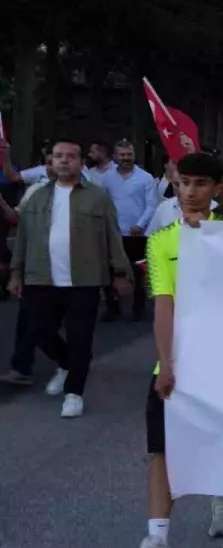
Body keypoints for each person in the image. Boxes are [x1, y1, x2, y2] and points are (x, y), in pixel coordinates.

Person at [131, 152, 223, 548]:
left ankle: (222, 503)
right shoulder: (161, 240)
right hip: (178, 362)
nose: (189, 192)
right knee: (161, 451)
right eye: (182, 183)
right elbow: (164, 305)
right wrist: (166, 363)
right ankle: (157, 540)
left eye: (199, 184)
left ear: (216, 189)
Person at [8, 139, 132, 417]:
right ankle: (66, 363)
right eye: (58, 156)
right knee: (38, 331)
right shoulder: (36, 196)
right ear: (50, 161)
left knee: (80, 338)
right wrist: (16, 273)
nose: (64, 160)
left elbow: (112, 237)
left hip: (84, 280)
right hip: (41, 278)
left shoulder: (98, 197)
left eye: (71, 156)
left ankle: (74, 393)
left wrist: (120, 273)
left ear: (81, 162)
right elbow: (23, 238)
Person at [103, 140, 159, 322]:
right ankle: (112, 308)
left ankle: (138, 308)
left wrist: (140, 225)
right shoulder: (107, 178)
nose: (126, 158)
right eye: (122, 155)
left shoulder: (146, 178)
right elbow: (103, 203)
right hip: (114, 234)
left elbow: (152, 205)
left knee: (138, 272)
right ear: (115, 157)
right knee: (111, 271)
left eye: (129, 155)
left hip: (138, 234)